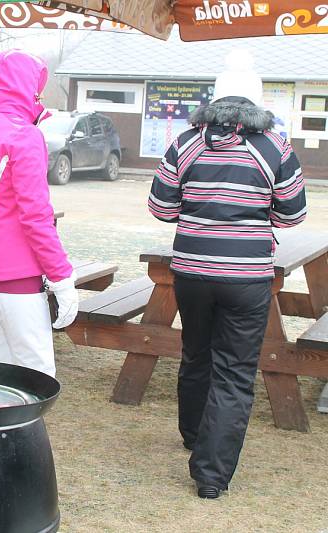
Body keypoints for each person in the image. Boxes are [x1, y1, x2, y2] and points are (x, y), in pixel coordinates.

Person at [148, 50, 307, 499]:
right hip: (246, 276)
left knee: (196, 353)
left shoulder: (186, 142)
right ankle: (211, 476)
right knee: (235, 370)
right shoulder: (275, 147)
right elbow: (294, 215)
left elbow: (161, 207)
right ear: (257, 103)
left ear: (213, 102)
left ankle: (193, 435)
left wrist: (198, 210)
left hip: (192, 271)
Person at [0, 49, 78, 377]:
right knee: (35, 379)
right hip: (16, 279)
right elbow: (36, 216)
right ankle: (18, 431)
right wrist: (62, 277)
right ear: (26, 88)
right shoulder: (24, 136)